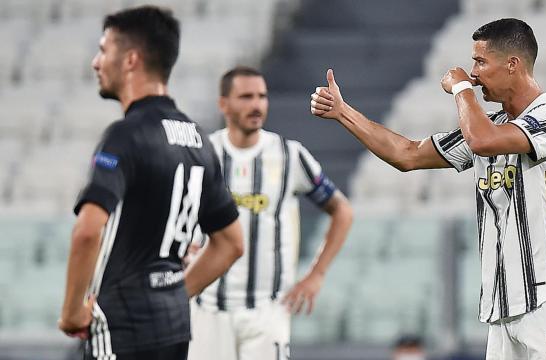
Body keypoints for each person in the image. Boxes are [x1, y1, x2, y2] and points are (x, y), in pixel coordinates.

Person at [310, 18, 546, 360]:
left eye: (480, 62)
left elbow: (482, 141)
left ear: (513, 65)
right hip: (503, 310)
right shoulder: (493, 125)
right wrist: (343, 113)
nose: (473, 73)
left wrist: (461, 90)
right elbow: (407, 154)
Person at [57, 6, 244, 360]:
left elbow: (86, 231)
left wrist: (72, 313)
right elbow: (231, 243)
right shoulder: (199, 140)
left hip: (120, 326)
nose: (96, 62)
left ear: (130, 60)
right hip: (172, 325)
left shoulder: (125, 136)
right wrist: (172, 294)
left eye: (104, 50)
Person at [187, 66, 353, 360]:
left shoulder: (289, 155)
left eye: (262, 96)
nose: (256, 104)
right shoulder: (203, 154)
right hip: (208, 308)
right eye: (246, 97)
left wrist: (316, 274)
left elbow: (341, 210)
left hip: (267, 310)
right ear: (223, 104)